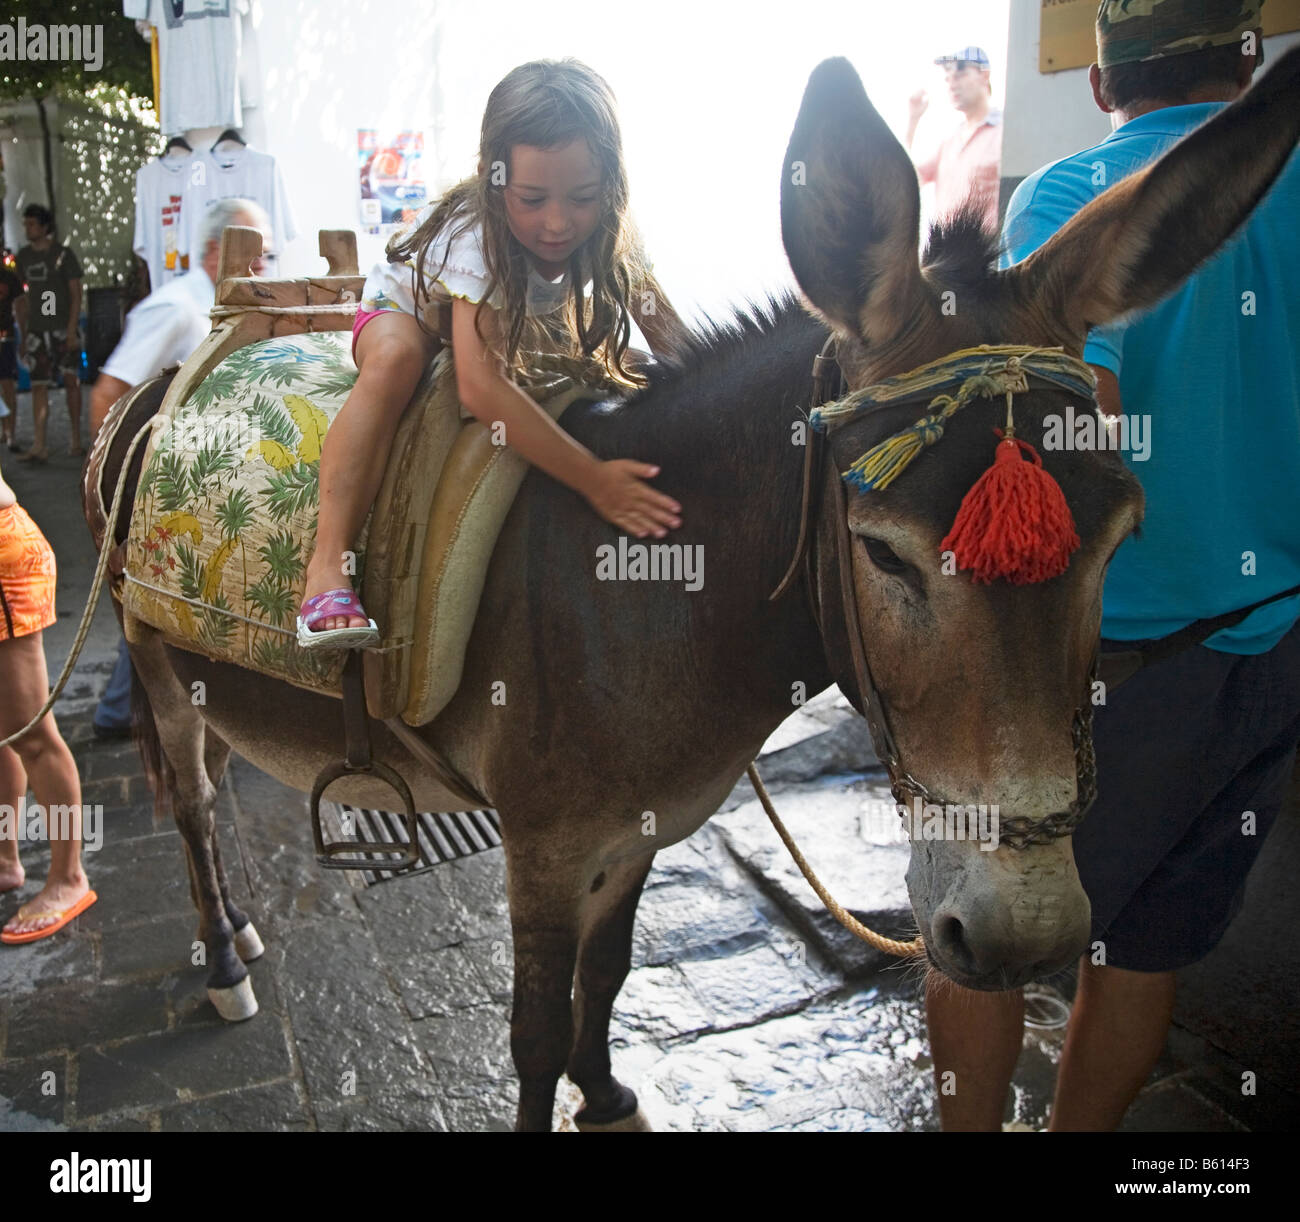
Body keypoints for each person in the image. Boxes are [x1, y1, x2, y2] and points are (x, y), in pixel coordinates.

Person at [926, 2, 1300, 1131]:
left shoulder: (1067, 196)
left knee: (978, 939)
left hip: (1121, 661)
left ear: (1099, 87)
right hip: (1271, 639)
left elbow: (1074, 419)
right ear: (1245, 61)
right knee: (1143, 945)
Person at [299, 58, 691, 646]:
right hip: (409, 312)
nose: (557, 223)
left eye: (581, 196)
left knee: (628, 370)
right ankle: (327, 564)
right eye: (532, 199)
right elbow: (481, 388)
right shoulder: (474, 235)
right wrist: (593, 479)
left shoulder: (610, 228)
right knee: (396, 363)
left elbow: (669, 338)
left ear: (608, 184)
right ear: (493, 177)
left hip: (516, 323)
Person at [87, 198, 271, 737]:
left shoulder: (238, 310)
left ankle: (125, 710)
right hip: (160, 506)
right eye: (253, 256)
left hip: (205, 503)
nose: (263, 269)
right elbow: (109, 398)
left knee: (165, 620)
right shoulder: (176, 308)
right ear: (217, 253)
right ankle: (117, 712)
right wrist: (113, 519)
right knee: (151, 619)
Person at [0, 460, 96, 942]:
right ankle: (4, 860)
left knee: (32, 736)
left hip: (3, 565)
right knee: (6, 735)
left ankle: (68, 878)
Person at [13, 204, 85, 462]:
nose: (28, 228)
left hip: (62, 328)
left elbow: (76, 293)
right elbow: (22, 297)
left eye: (32, 224)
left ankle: (76, 440)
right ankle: (39, 444)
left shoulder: (63, 255)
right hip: (36, 330)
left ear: (44, 227)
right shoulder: (23, 257)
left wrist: (71, 329)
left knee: (70, 381)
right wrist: (23, 332)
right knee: (38, 385)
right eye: (26, 224)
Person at [906, 46, 1003, 234]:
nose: (952, 83)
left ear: (984, 75)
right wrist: (913, 120)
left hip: (986, 256)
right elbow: (909, 179)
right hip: (944, 257)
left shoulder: (1005, 133)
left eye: (960, 73)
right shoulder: (949, 141)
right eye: (947, 78)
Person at [0, 254, 21, 451]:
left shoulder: (9, 276)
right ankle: (3, 429)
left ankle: (10, 433)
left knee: (7, 387)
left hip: (5, 337)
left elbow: (21, 304)